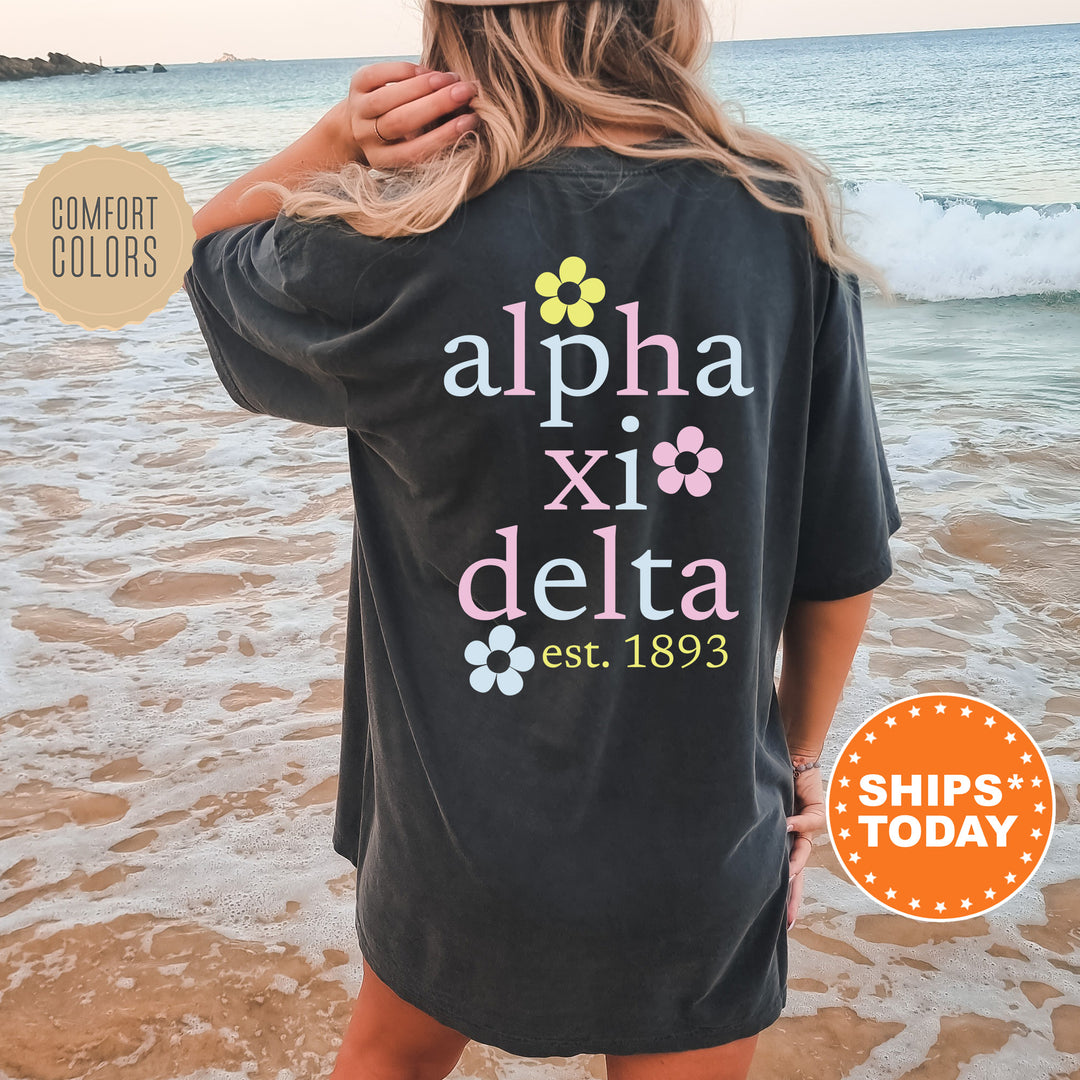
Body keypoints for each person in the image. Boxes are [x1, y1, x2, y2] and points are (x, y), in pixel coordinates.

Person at [182, 1, 903, 1077]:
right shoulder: (780, 219)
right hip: (699, 831)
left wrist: (339, 142)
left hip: (457, 834)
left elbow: (204, 253)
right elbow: (841, 560)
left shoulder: (396, 239)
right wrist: (801, 765)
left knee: (388, 1058)